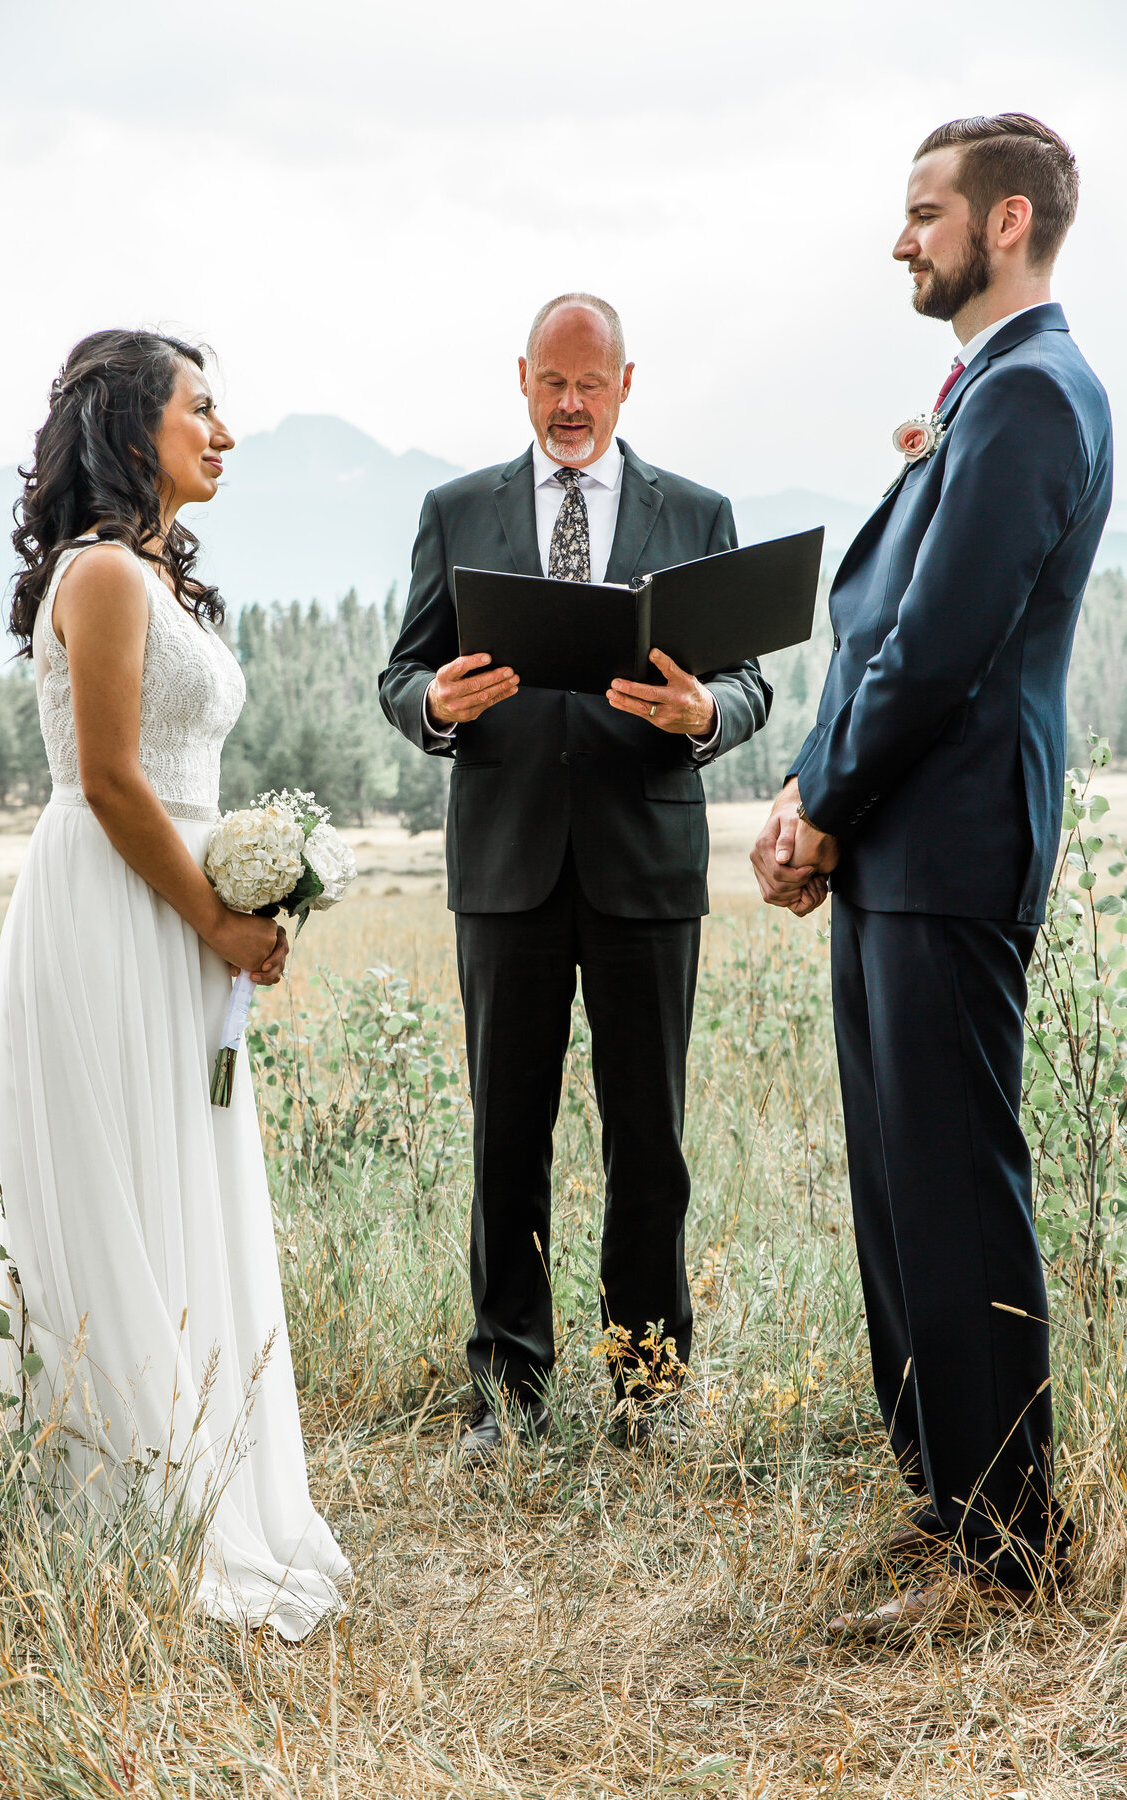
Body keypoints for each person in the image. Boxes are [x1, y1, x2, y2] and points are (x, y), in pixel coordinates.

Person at [751, 116, 1112, 1632]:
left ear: (1007, 220)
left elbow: (943, 648)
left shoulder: (1033, 395)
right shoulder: (987, 396)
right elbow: (888, 620)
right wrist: (812, 793)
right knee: (903, 1188)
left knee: (957, 1189)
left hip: (951, 841)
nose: (902, 240)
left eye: (925, 213)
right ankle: (948, 1503)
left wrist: (822, 800)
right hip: (908, 839)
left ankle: (1006, 1549)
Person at [0, 329, 351, 1639]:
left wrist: (255, 887)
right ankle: (123, 1493)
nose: (227, 431)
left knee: (183, 1175)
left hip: (180, 909)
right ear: (135, 423)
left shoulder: (158, 578)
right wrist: (211, 915)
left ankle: (197, 1468)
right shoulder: (96, 574)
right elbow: (109, 778)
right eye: (205, 408)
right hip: (114, 907)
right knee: (119, 1177)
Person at [379, 294, 772, 1458]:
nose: (569, 404)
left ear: (626, 385)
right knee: (510, 1136)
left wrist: (709, 711)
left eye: (589, 384)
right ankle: (511, 1390)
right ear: (522, 378)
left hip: (647, 866)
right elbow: (404, 673)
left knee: (649, 1139)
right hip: (504, 871)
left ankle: (646, 1390)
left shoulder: (694, 512)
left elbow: (750, 681)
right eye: (551, 381)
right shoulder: (457, 510)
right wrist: (433, 708)